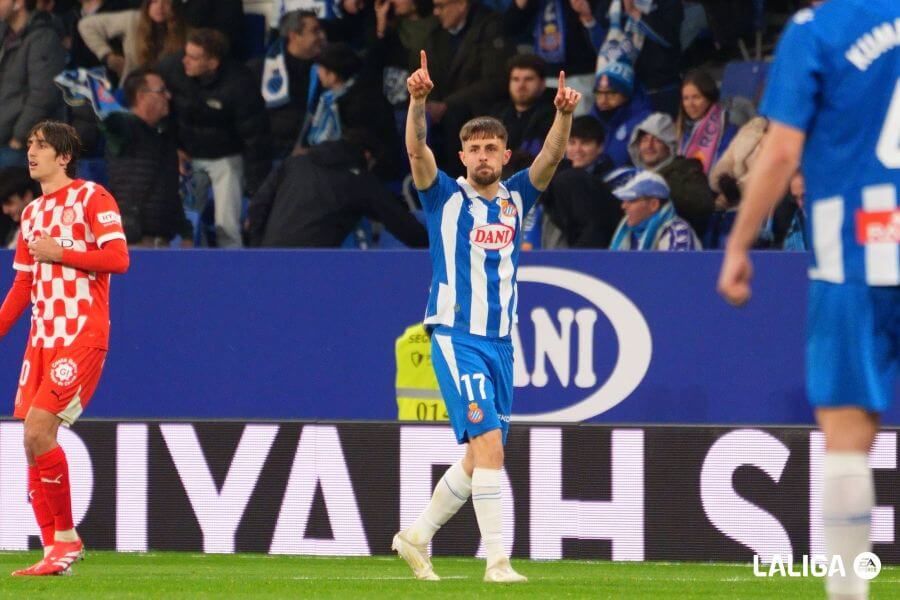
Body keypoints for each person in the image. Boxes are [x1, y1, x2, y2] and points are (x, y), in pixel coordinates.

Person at [718, 2, 899, 598]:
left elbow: (780, 150)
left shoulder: (815, 31)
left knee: (848, 436)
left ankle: (849, 593)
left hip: (853, 249)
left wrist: (739, 243)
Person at [392, 50, 580, 582]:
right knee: (490, 445)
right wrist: (418, 103)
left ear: (504, 153)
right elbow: (415, 150)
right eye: (472, 149)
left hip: (501, 342)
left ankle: (416, 536)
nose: (481, 156)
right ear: (462, 155)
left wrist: (563, 115)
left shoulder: (517, 198)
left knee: (479, 458)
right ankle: (496, 560)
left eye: (491, 148)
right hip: (457, 334)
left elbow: (552, 156)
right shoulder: (444, 197)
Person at [2, 121, 129, 576]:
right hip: (42, 340)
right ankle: (54, 550)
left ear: (64, 157)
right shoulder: (31, 214)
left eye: (41, 146)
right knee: (30, 444)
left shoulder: (92, 198)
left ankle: (67, 540)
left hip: (82, 334)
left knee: (39, 432)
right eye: (31, 145)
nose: (31, 152)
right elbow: (22, 285)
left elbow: (118, 259)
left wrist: (64, 250)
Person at [158, 28, 271, 248]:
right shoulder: (171, 70)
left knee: (226, 226)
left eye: (194, 57)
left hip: (226, 158)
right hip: (187, 156)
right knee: (185, 224)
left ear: (212, 62)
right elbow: (162, 114)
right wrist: (173, 149)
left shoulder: (239, 84)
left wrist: (258, 189)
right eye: (186, 53)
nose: (185, 61)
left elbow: (256, 136)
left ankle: (233, 271)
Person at [247, 135, 427, 248]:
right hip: (314, 266)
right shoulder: (357, 179)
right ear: (367, 156)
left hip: (271, 257)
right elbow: (397, 220)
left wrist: (259, 250)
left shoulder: (294, 164)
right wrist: (432, 246)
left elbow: (257, 206)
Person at [103, 67, 191, 246]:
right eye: (161, 91)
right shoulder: (125, 128)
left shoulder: (164, 139)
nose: (168, 96)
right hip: (133, 241)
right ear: (141, 96)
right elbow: (110, 123)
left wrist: (185, 231)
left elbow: (170, 190)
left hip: (162, 243)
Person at [0, 0, 67, 168]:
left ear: (19, 3)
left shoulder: (43, 38)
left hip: (20, 145)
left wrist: (19, 137)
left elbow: (43, 95)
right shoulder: (5, 35)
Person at [251, 9, 325, 158]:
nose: (322, 36)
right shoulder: (259, 70)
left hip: (317, 151)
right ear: (294, 35)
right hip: (272, 153)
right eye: (315, 31)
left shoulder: (330, 67)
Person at [627, 112, 713, 237]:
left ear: (669, 146)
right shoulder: (630, 177)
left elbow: (703, 206)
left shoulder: (687, 172)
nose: (649, 146)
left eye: (657, 140)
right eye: (644, 140)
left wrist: (659, 190)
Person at [78, 0, 186, 81]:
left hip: (168, 90)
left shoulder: (184, 31)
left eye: (166, 2)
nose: (160, 7)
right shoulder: (134, 19)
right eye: (154, 1)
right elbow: (86, 25)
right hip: (133, 87)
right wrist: (108, 55)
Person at [609, 169, 700, 250]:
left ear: (653, 205)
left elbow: (676, 268)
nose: (623, 206)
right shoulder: (626, 232)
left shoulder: (678, 232)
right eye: (623, 201)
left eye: (631, 201)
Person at [492, 54, 556, 161]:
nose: (521, 85)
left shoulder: (554, 115)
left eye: (528, 79)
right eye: (516, 79)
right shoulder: (498, 113)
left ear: (542, 83)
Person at [675, 69, 737, 175]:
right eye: (686, 98)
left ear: (709, 98)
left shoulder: (727, 127)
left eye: (696, 97)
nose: (690, 104)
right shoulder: (683, 129)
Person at [0, 166, 39, 246]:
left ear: (27, 196)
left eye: (9, 203)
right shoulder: (9, 223)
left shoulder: (43, 227)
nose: (5, 211)